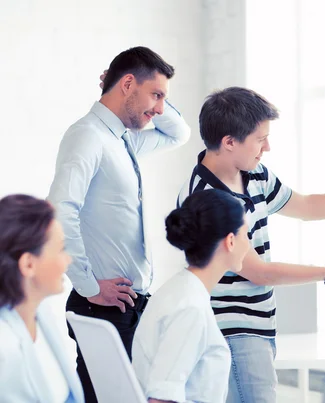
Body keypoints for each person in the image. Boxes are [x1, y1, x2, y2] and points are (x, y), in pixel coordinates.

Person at [176, 86, 325, 403]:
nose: (267, 147)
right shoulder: (206, 197)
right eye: (260, 139)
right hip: (231, 329)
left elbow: (307, 206)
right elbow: (259, 272)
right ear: (229, 142)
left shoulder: (253, 173)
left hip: (258, 323)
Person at [47, 46, 191, 402]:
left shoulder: (124, 141)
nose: (159, 109)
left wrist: (152, 96)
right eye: (156, 95)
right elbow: (59, 209)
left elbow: (179, 134)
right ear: (128, 84)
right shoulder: (88, 136)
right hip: (102, 306)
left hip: (127, 307)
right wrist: (88, 284)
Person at [132, 189, 249, 403]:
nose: (248, 244)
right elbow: (161, 398)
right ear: (230, 241)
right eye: (246, 234)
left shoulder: (179, 291)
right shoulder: (190, 308)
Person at [0, 194, 84, 403]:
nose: (68, 259)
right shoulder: (5, 348)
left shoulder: (40, 316)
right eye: (61, 249)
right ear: (29, 264)